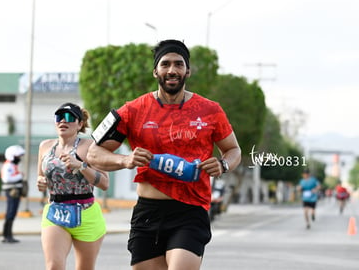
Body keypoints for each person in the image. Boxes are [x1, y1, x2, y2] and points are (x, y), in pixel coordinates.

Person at [87, 39, 242, 269]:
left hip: (191, 210)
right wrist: (125, 160)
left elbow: (233, 150)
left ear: (187, 71)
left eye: (179, 64)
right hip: (148, 211)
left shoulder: (210, 110)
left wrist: (223, 164)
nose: (172, 70)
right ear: (155, 71)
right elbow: (93, 153)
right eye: (165, 64)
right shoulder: (133, 110)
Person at [36, 102, 109, 270]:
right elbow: (40, 178)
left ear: (80, 124)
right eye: (59, 117)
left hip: (86, 213)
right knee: (54, 266)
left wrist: (81, 166)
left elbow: (104, 183)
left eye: (69, 117)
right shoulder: (45, 146)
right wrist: (41, 183)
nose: (63, 121)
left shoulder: (90, 147)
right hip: (56, 211)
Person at [1, 144, 25, 243]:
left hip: (15, 191)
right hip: (12, 191)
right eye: (17, 156)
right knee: (11, 212)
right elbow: (6, 179)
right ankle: (7, 236)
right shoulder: (8, 166)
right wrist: (20, 176)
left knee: (12, 212)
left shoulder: (13, 165)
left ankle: (8, 235)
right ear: (11, 156)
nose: (19, 158)